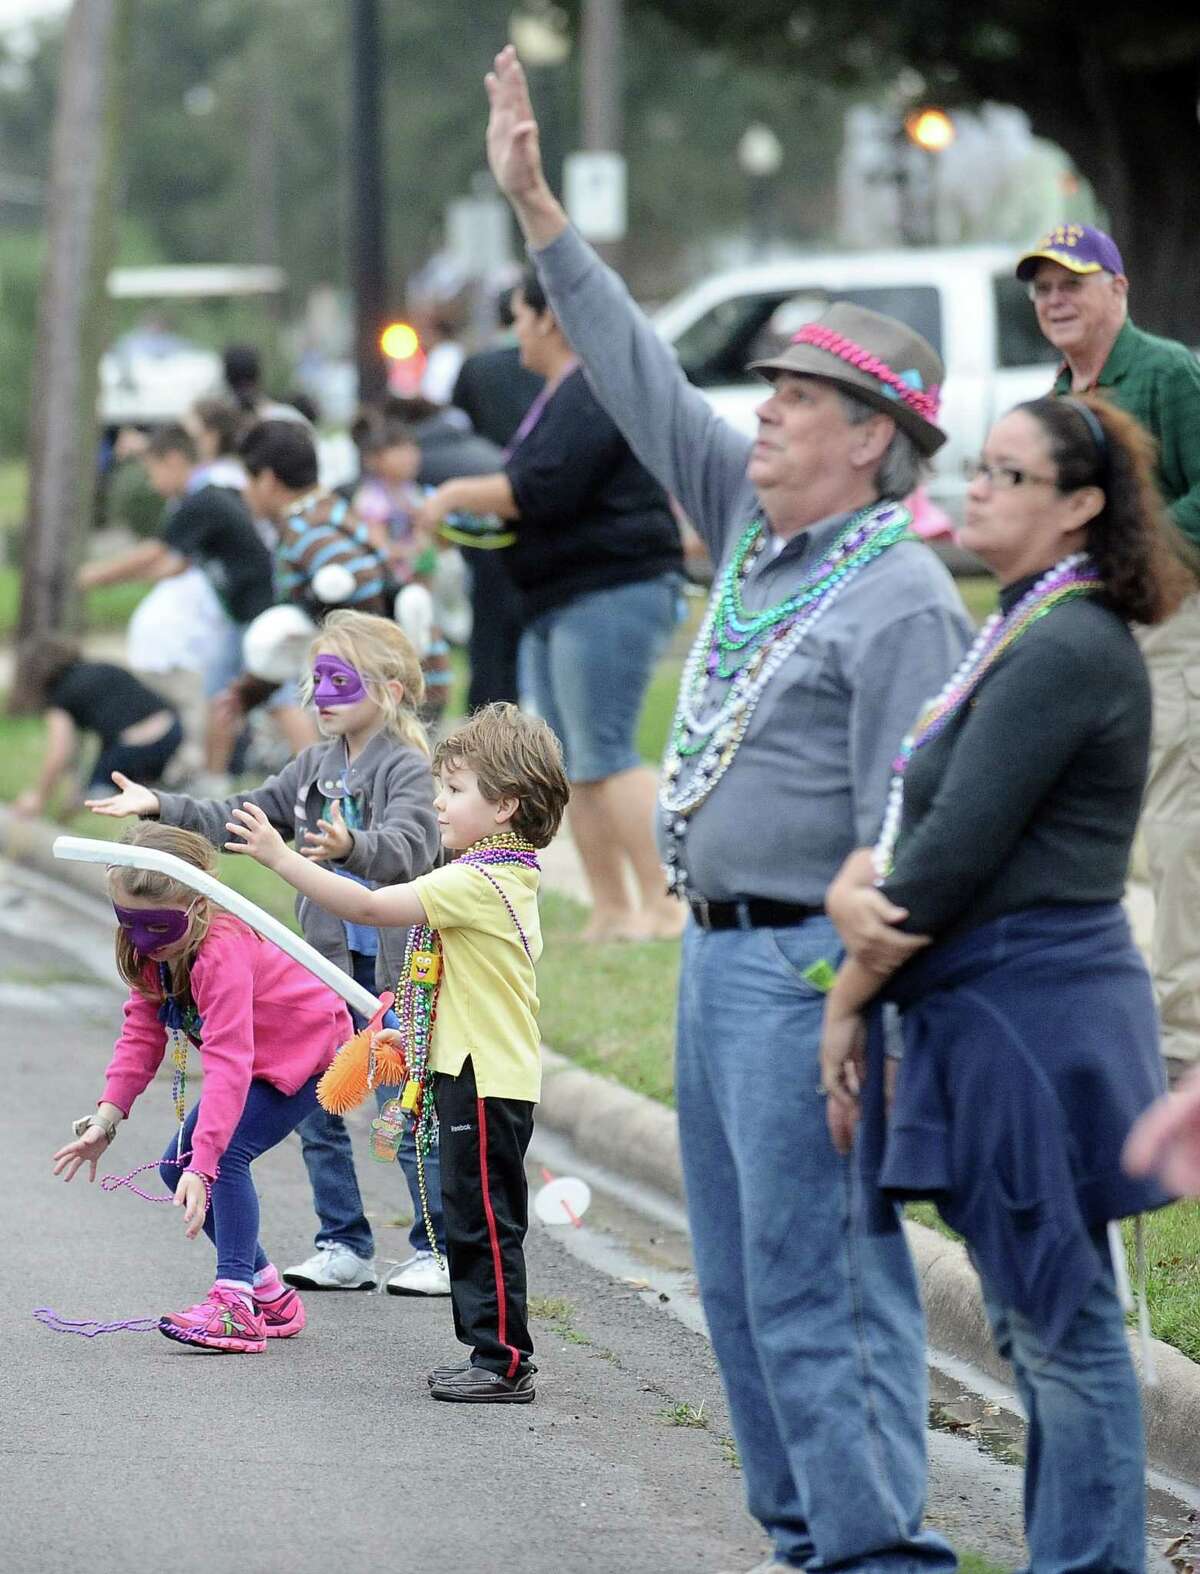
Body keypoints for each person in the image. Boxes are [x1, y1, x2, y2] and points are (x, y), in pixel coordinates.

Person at [485, 45, 969, 1570]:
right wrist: (539, 210)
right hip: (714, 956)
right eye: (762, 393)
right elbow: (630, 367)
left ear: (871, 437)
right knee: (746, 1278)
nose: (759, 418)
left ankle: (872, 1543)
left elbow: (920, 833)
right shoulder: (757, 539)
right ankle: (801, 1531)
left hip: (805, 975)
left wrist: (859, 1003)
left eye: (798, 400)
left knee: (819, 1269)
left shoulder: (900, 595)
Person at [820, 394, 1189, 1574]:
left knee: (1061, 1327)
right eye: (981, 468)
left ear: (1080, 507)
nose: (978, 487)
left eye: (1010, 475)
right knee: (1039, 1331)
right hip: (1001, 1010)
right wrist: (855, 890)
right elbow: (916, 840)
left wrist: (845, 985)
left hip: (1034, 1020)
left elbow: (946, 860)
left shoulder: (1071, 642)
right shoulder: (1029, 623)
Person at [86, 611, 446, 1296]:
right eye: (317, 680)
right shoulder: (311, 766)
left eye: (342, 679)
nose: (325, 695)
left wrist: (353, 849)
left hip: (398, 973)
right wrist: (160, 804)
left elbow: (411, 849)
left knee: (403, 1105)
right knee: (322, 1111)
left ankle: (435, 1247)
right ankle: (343, 1242)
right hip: (328, 966)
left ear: (392, 690)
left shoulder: (407, 769)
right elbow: (242, 815)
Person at [226, 702, 571, 1402]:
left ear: (504, 805)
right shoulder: (495, 872)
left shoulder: (481, 879)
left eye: (455, 791)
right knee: (470, 1214)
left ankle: (502, 1360)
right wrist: (408, 1031)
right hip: (466, 1070)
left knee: (481, 1220)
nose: (439, 803)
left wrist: (280, 856)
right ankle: (490, 1352)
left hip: (484, 1079)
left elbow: (371, 908)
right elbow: (455, 982)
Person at [415, 264, 686, 943]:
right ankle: (613, 908)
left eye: (520, 318)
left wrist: (451, 498)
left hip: (611, 592)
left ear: (552, 320)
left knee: (610, 752)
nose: (516, 335)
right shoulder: (560, 394)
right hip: (562, 595)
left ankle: (665, 902)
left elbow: (536, 487)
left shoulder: (592, 387)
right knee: (579, 764)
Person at [50, 821, 353, 1353]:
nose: (143, 940)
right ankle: (270, 1296)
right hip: (254, 1056)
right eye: (129, 922)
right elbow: (142, 1033)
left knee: (223, 1156)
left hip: (303, 1055)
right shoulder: (153, 953)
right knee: (176, 1167)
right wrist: (106, 1118)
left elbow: (230, 1062)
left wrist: (206, 1161)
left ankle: (234, 1302)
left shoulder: (221, 951)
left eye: (157, 926)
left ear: (196, 904)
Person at [1016, 224, 1200, 1085]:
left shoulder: (1164, 372)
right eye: (1043, 287)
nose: (1055, 299)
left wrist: (1146, 551)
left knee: (1175, 829)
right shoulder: (1060, 392)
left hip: (1169, 620)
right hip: (1091, 624)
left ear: (1118, 290)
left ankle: (1183, 1045)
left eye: (1073, 284)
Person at [239, 418, 451, 726]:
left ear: (268, 480)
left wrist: (379, 661)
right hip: (409, 679)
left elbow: (361, 582)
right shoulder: (332, 508)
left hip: (393, 690)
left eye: (247, 480)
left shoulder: (306, 529)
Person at [12, 637, 183, 818]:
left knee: (98, 794)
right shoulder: (97, 668)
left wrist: (39, 796)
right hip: (172, 728)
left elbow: (60, 752)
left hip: (139, 741)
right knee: (128, 781)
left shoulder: (60, 696)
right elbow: (82, 747)